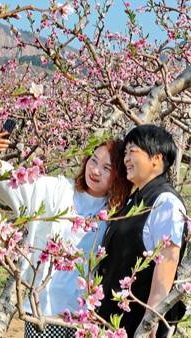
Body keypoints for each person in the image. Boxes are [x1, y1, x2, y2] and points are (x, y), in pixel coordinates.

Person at [0, 131, 131, 337]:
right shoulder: (58, 191)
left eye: (107, 168)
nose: (95, 171)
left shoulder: (117, 215)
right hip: (46, 310)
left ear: (119, 177)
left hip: (87, 318)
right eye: (93, 160)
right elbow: (20, 186)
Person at [97, 125, 187, 337]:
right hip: (112, 320)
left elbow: (166, 267)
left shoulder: (166, 203)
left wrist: (151, 321)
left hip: (136, 324)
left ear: (156, 159)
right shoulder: (134, 200)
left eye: (133, 152)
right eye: (125, 153)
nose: (126, 158)